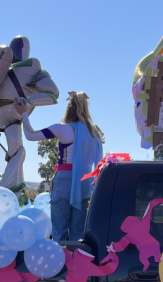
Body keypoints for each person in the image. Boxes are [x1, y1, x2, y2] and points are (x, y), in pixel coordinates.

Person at [22, 91, 103, 241]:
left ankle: (59, 262)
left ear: (69, 108)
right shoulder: (94, 134)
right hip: (85, 182)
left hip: (64, 179)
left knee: (59, 229)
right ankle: (77, 261)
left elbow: (30, 135)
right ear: (86, 109)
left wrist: (24, 114)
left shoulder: (63, 128)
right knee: (79, 232)